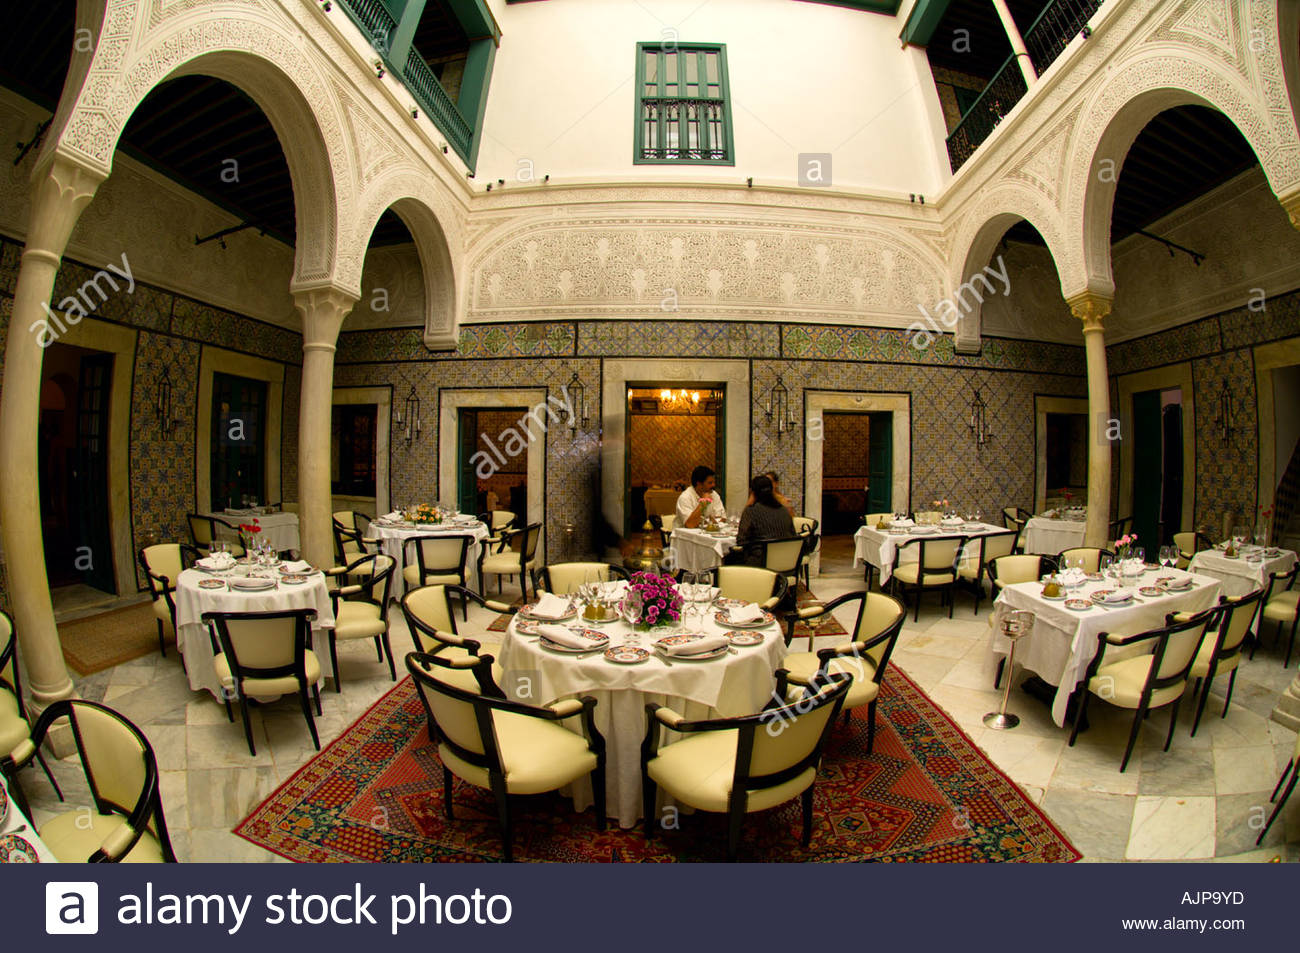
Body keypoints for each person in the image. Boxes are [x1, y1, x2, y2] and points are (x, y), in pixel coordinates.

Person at [736, 474, 796, 566]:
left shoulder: (751, 511)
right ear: (772, 491)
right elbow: (793, 534)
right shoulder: (784, 510)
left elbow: (741, 541)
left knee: (731, 558)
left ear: (753, 492)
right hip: (787, 562)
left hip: (762, 563)